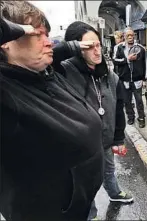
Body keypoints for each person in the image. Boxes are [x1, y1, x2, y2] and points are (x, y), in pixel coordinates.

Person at [0, 2, 103, 220]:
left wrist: (75, 46)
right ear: (6, 42)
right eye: (38, 35)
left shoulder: (42, 72)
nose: (48, 42)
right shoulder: (6, 94)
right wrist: (10, 29)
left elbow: (57, 51)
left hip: (79, 208)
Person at [51, 21, 134, 220]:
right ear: (77, 48)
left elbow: (118, 108)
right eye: (89, 46)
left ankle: (114, 194)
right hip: (80, 146)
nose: (97, 51)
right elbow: (47, 58)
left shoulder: (109, 75)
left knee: (109, 170)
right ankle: (91, 214)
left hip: (104, 141)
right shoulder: (63, 71)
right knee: (84, 184)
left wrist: (118, 139)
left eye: (98, 45)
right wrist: (69, 48)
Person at [114, 27, 147, 128]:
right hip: (124, 80)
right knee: (127, 101)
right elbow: (115, 61)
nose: (130, 37)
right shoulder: (119, 48)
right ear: (124, 36)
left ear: (134, 36)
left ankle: (141, 118)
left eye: (132, 35)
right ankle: (131, 117)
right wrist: (127, 59)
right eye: (128, 35)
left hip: (137, 80)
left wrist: (145, 79)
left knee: (139, 101)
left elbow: (145, 64)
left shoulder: (141, 48)